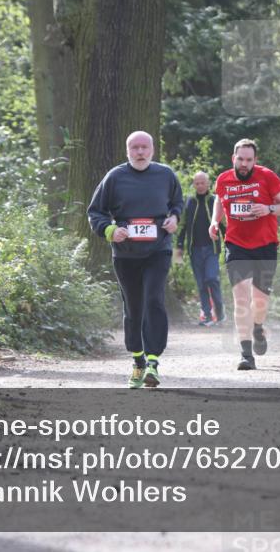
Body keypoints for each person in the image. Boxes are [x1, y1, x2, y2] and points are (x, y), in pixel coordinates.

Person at [88, 131, 183, 388]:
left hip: (158, 250)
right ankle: (138, 361)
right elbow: (95, 212)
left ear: (152, 150)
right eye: (135, 148)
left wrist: (174, 218)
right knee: (133, 307)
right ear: (127, 150)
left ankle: (153, 362)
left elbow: (177, 204)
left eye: (144, 148)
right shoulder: (115, 177)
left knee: (154, 299)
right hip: (126, 254)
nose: (140, 152)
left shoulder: (165, 175)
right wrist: (110, 231)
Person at [209, 139, 280, 370]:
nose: (244, 164)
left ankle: (258, 327)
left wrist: (269, 209)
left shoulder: (267, 176)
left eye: (249, 160)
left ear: (255, 161)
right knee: (241, 299)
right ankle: (246, 355)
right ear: (233, 158)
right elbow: (219, 198)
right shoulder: (224, 179)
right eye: (240, 159)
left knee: (260, 301)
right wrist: (215, 221)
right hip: (236, 246)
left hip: (265, 246)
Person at [176, 171, 226, 327]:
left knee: (211, 278)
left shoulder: (215, 201)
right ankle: (207, 316)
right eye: (196, 183)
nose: (199, 185)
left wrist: (230, 244)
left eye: (202, 182)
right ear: (194, 185)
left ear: (208, 183)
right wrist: (179, 248)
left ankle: (220, 313)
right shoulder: (189, 202)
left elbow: (223, 224)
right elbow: (182, 227)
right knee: (201, 283)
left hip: (212, 248)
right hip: (194, 249)